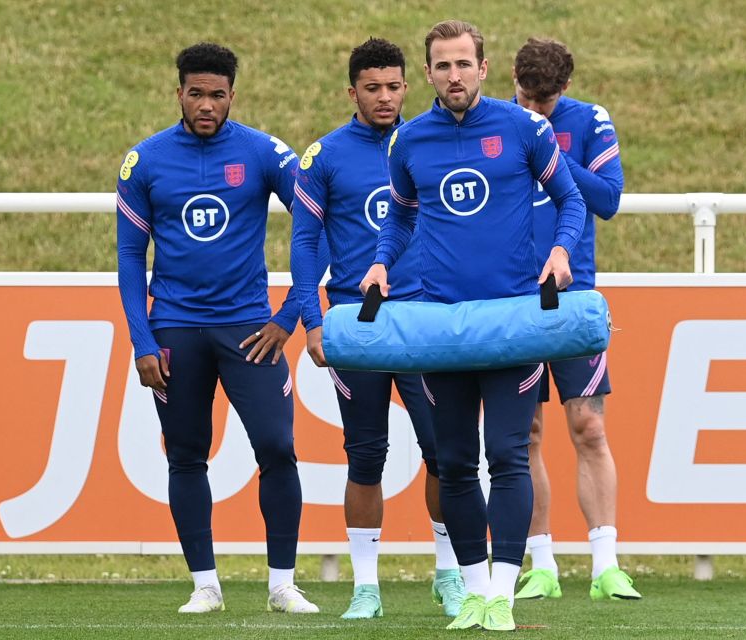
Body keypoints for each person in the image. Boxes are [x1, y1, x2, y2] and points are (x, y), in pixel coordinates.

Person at [359, 20, 586, 632]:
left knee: (507, 457)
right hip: (444, 328)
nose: (453, 76)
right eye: (442, 66)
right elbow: (402, 217)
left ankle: (504, 596)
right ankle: (476, 590)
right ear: (428, 74)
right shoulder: (408, 142)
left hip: (512, 322)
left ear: (484, 70)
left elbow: (571, 200)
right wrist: (382, 261)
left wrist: (562, 251)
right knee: (455, 463)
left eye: (463, 64)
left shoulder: (524, 130)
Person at [116, 42, 320, 615]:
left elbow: (315, 227)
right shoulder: (145, 161)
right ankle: (205, 584)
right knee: (186, 455)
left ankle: (282, 584)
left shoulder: (262, 153)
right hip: (175, 330)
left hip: (249, 329)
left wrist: (288, 317)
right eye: (196, 94)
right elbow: (131, 258)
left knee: (278, 448)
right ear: (178, 92)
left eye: (218, 95)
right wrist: (142, 340)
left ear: (233, 95)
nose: (207, 105)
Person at [290, 37, 466, 620]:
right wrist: (312, 322)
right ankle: (366, 587)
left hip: (424, 322)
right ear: (352, 92)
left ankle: (448, 575)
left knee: (445, 454)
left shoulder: (427, 144)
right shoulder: (325, 157)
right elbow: (305, 243)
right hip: (358, 327)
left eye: (394, 86)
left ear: (407, 87)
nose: (385, 97)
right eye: (373, 87)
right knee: (366, 455)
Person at [510, 37, 642, 602]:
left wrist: (551, 155)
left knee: (589, 426)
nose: (535, 110)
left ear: (564, 89)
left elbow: (609, 199)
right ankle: (541, 564)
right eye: (527, 97)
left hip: (573, 295)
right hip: (510, 296)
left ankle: (606, 565)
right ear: (511, 80)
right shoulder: (491, 125)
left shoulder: (589, 120)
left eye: (545, 100)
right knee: (527, 432)